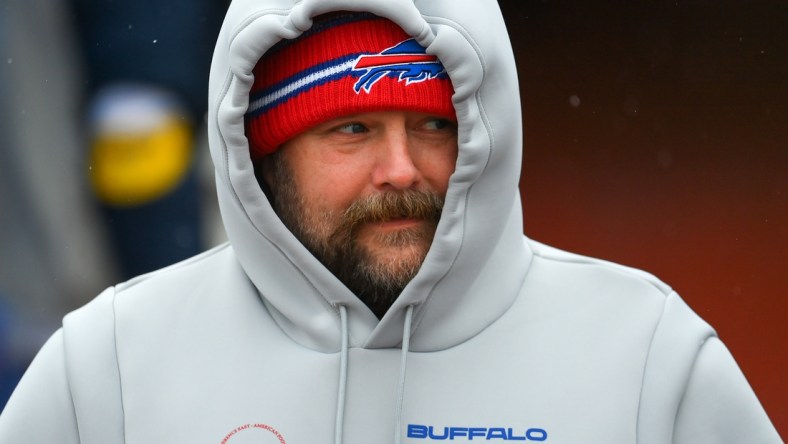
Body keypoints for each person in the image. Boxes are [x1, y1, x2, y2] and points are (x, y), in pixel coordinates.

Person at [0, 0, 781, 443]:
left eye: (434, 126)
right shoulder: (110, 369)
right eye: (353, 129)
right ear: (263, 154)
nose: (402, 169)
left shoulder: (647, 360)